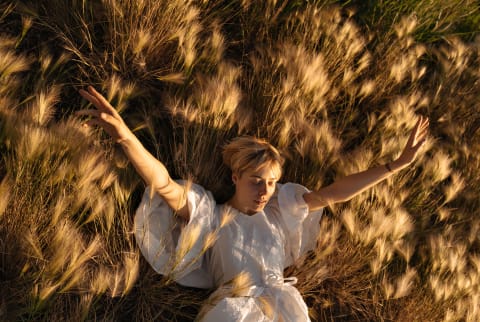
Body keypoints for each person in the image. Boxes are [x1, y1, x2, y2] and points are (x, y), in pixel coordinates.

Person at [78, 86, 429, 321]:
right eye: (256, 181)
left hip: (284, 310)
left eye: (272, 182)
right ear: (235, 177)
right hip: (234, 312)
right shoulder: (210, 216)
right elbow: (164, 183)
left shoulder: (279, 214)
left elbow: (333, 193)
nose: (265, 191)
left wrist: (395, 165)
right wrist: (125, 137)